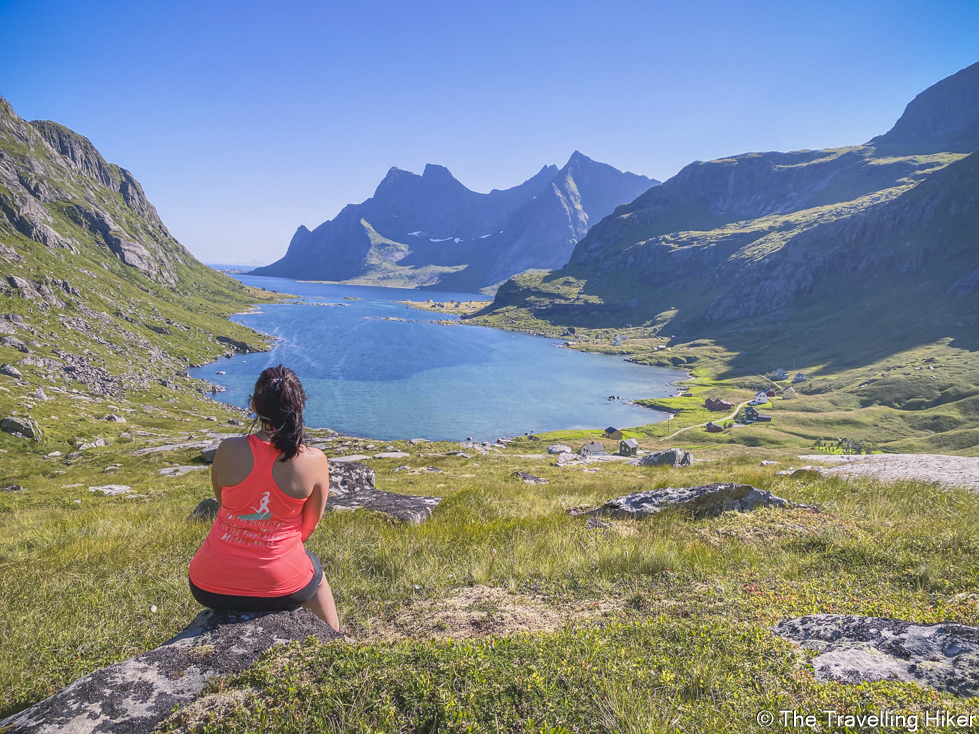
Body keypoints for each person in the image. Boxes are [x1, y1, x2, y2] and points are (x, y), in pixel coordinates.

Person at [188, 365, 339, 631]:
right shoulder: (313, 460)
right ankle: (336, 638)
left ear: (255, 407)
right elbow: (309, 526)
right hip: (281, 586)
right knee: (315, 572)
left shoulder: (227, 450)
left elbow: (225, 504)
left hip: (207, 583)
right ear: (299, 406)